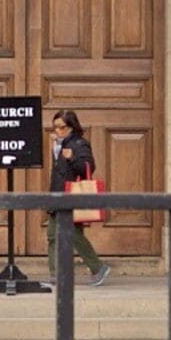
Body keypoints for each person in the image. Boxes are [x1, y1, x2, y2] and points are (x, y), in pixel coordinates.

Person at [47, 111, 108, 285]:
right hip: (57, 196)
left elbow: (88, 166)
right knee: (52, 235)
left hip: (71, 196)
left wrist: (72, 157)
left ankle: (98, 267)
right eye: (55, 127)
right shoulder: (59, 144)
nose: (58, 130)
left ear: (71, 127)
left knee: (72, 234)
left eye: (62, 127)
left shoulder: (80, 144)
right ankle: (55, 274)